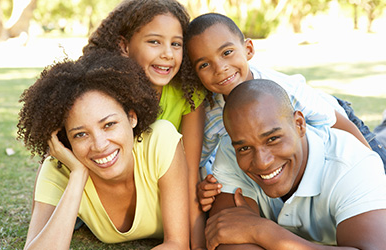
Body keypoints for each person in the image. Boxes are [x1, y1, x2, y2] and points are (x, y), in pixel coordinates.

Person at [182, 13, 386, 211]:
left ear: (248, 49)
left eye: (227, 53)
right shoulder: (211, 115)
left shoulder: (286, 89)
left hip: (337, 121)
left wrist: (371, 171)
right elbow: (198, 161)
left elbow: (336, 121)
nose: (220, 68)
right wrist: (207, 185)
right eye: (204, 64)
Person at [17, 50, 189, 249]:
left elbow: (178, 244)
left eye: (109, 124)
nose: (100, 145)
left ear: (131, 117)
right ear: (65, 141)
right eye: (80, 134)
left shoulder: (160, 141)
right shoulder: (59, 170)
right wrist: (78, 175)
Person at [205, 79, 386, 250]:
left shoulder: (353, 165)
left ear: (299, 124)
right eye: (244, 148)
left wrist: (263, 232)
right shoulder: (231, 150)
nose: (262, 162)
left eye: (273, 139)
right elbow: (226, 237)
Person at [83, 1, 206, 247]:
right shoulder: (103, 95)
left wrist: (196, 243)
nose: (168, 54)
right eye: (154, 42)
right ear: (124, 46)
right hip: (115, 189)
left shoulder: (187, 95)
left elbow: (190, 172)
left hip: (166, 192)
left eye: (176, 44)